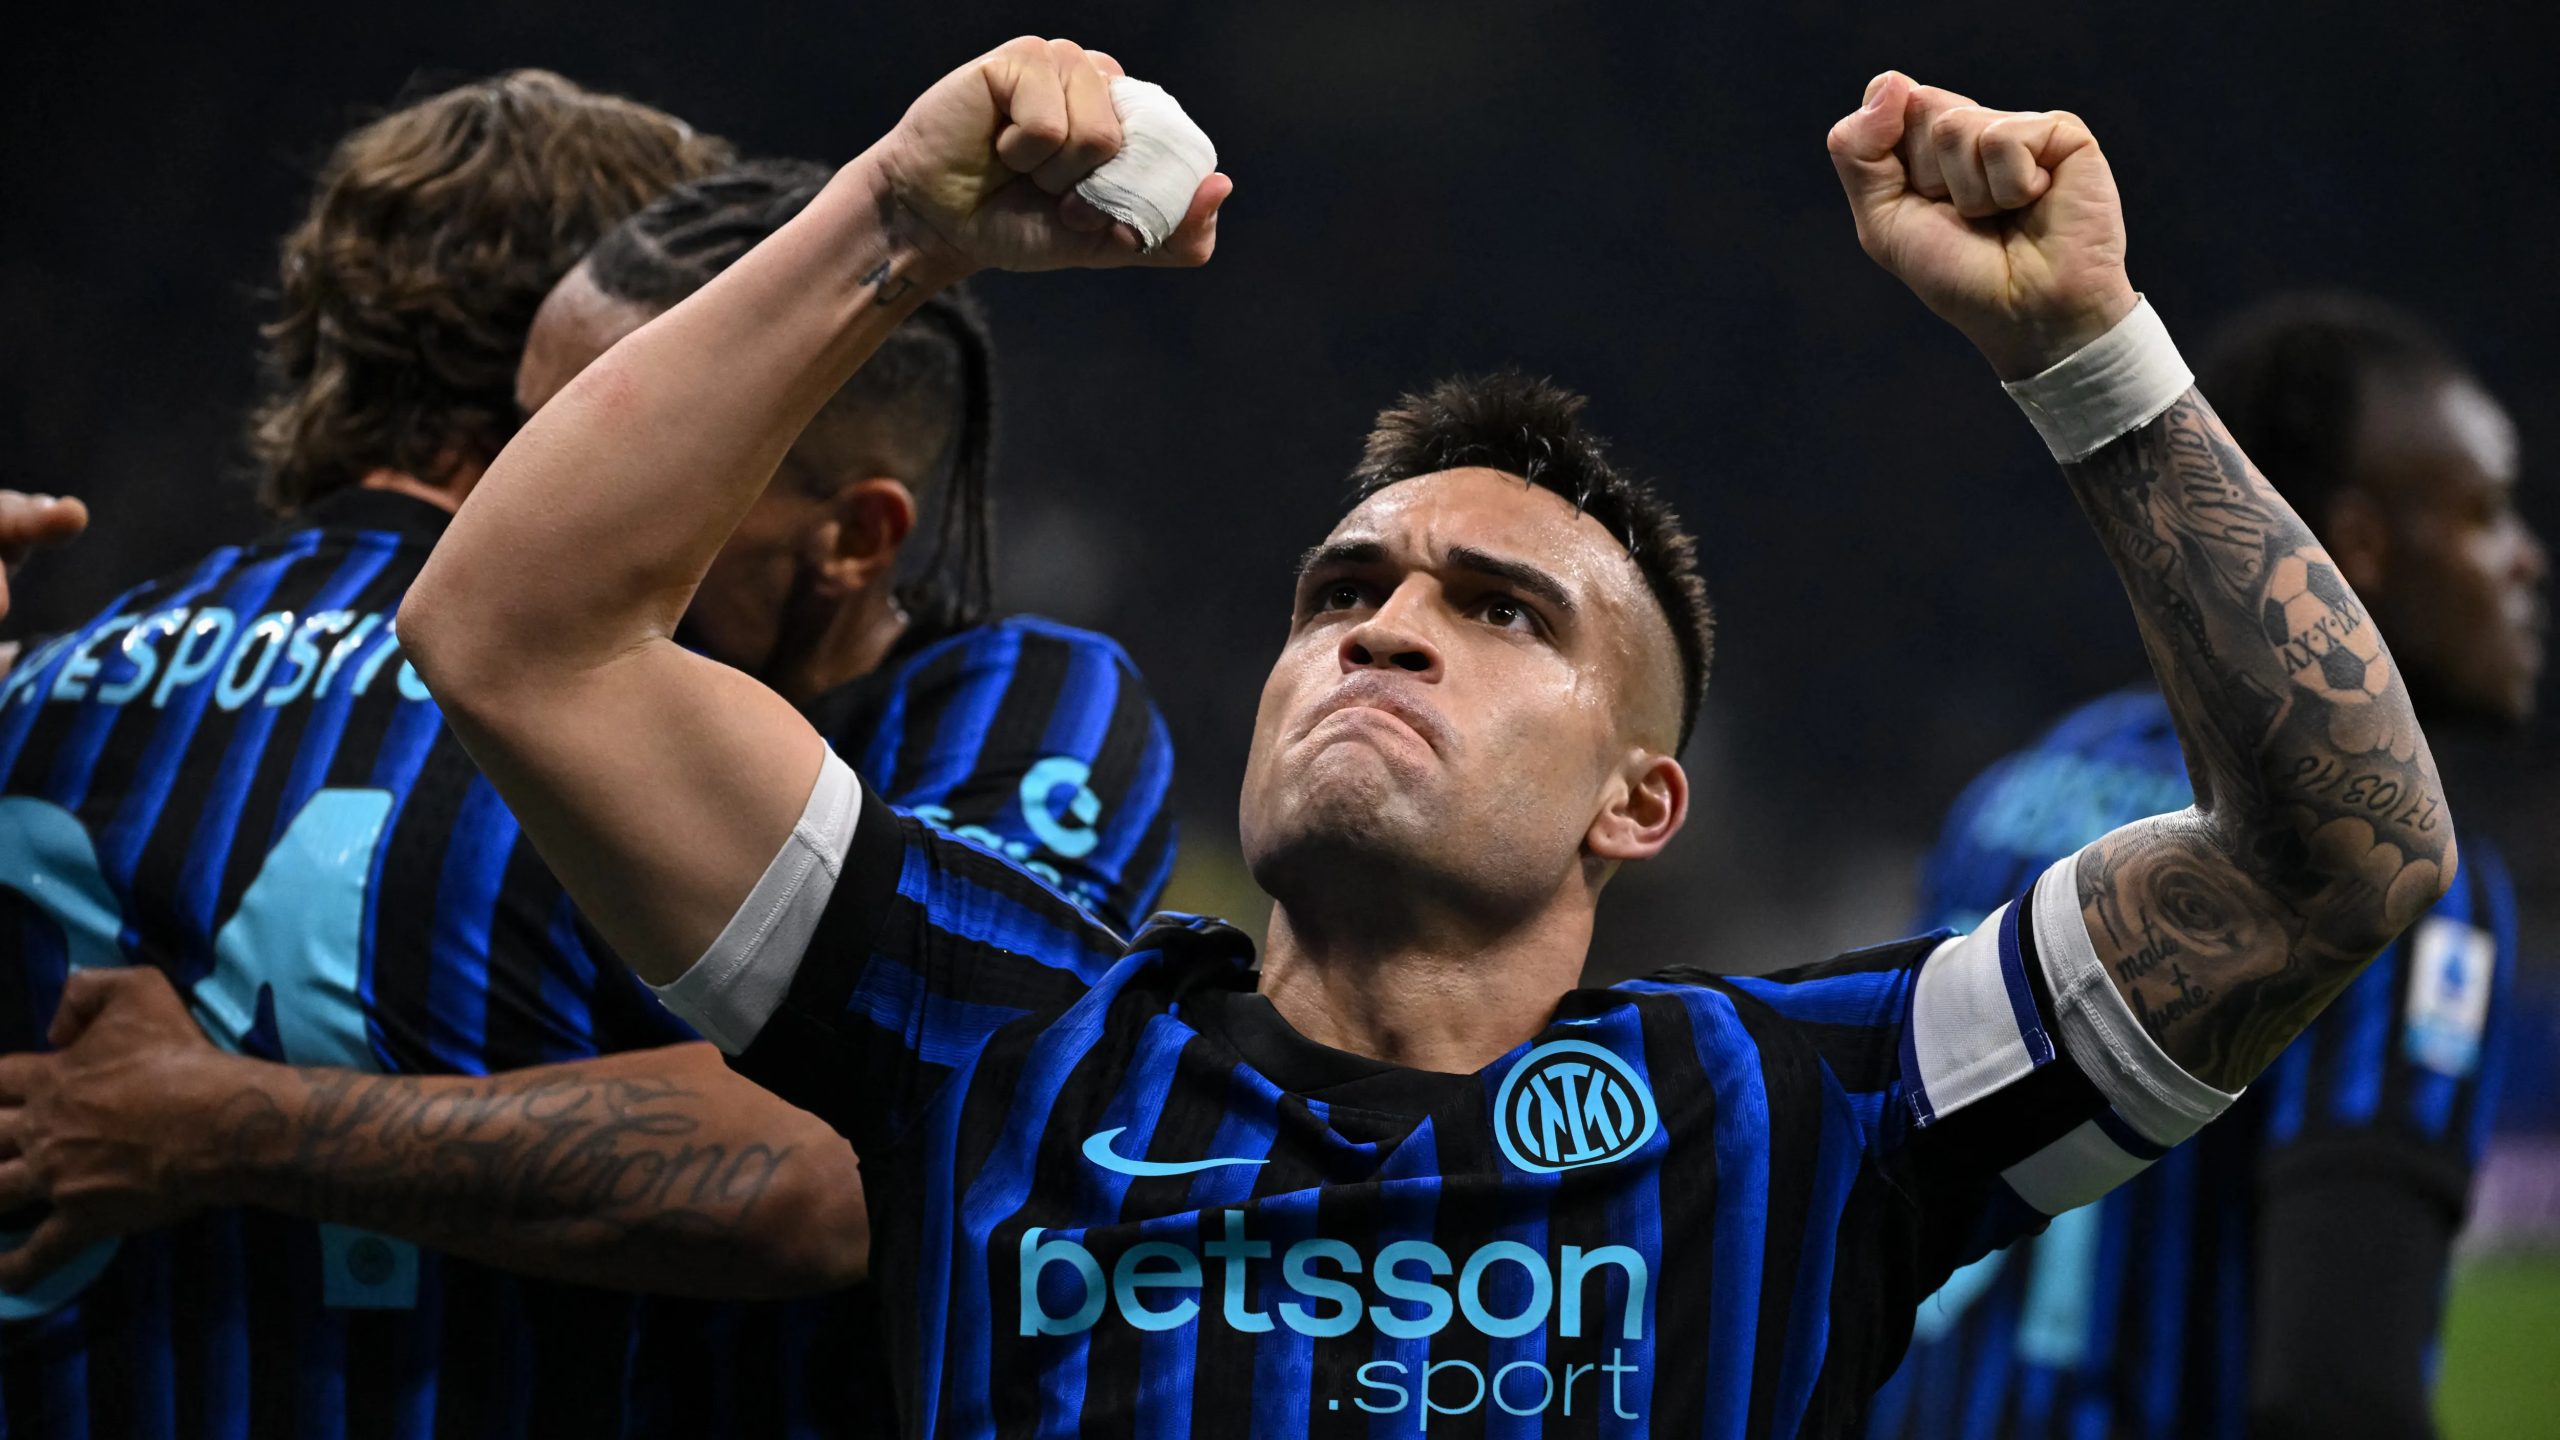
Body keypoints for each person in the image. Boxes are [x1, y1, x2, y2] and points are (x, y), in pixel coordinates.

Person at [25, 41, 2463, 1437]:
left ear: (1640, 798)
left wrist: (2082, 357)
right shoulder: (995, 1026)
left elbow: (2336, 857)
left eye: (1498, 610)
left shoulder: (1800, 1108)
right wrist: (895, 219)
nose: (1385, 625)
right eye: (1340, 589)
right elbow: (514, 628)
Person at [0, 89, 1172, 1440]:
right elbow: (834, 1167)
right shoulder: (551, 717)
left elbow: (870, 1148)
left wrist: (221, 1125)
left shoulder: (56, 676)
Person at [1866, 295, 2544, 1440]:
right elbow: (2336, 1394)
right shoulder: (2397, 883)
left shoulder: (2017, 792)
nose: (2523, 557)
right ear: (2359, 551)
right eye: (2483, 512)